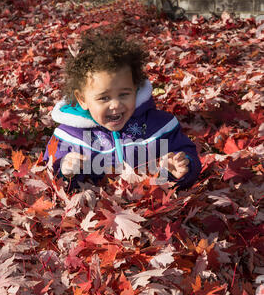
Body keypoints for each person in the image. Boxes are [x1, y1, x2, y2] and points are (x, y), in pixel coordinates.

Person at [43, 29, 201, 190]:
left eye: (124, 94)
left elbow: (187, 155)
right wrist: (65, 172)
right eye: (104, 98)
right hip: (98, 210)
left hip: (151, 207)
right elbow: (51, 176)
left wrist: (180, 168)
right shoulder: (69, 137)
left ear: (136, 89)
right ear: (82, 99)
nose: (116, 105)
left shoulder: (159, 126)